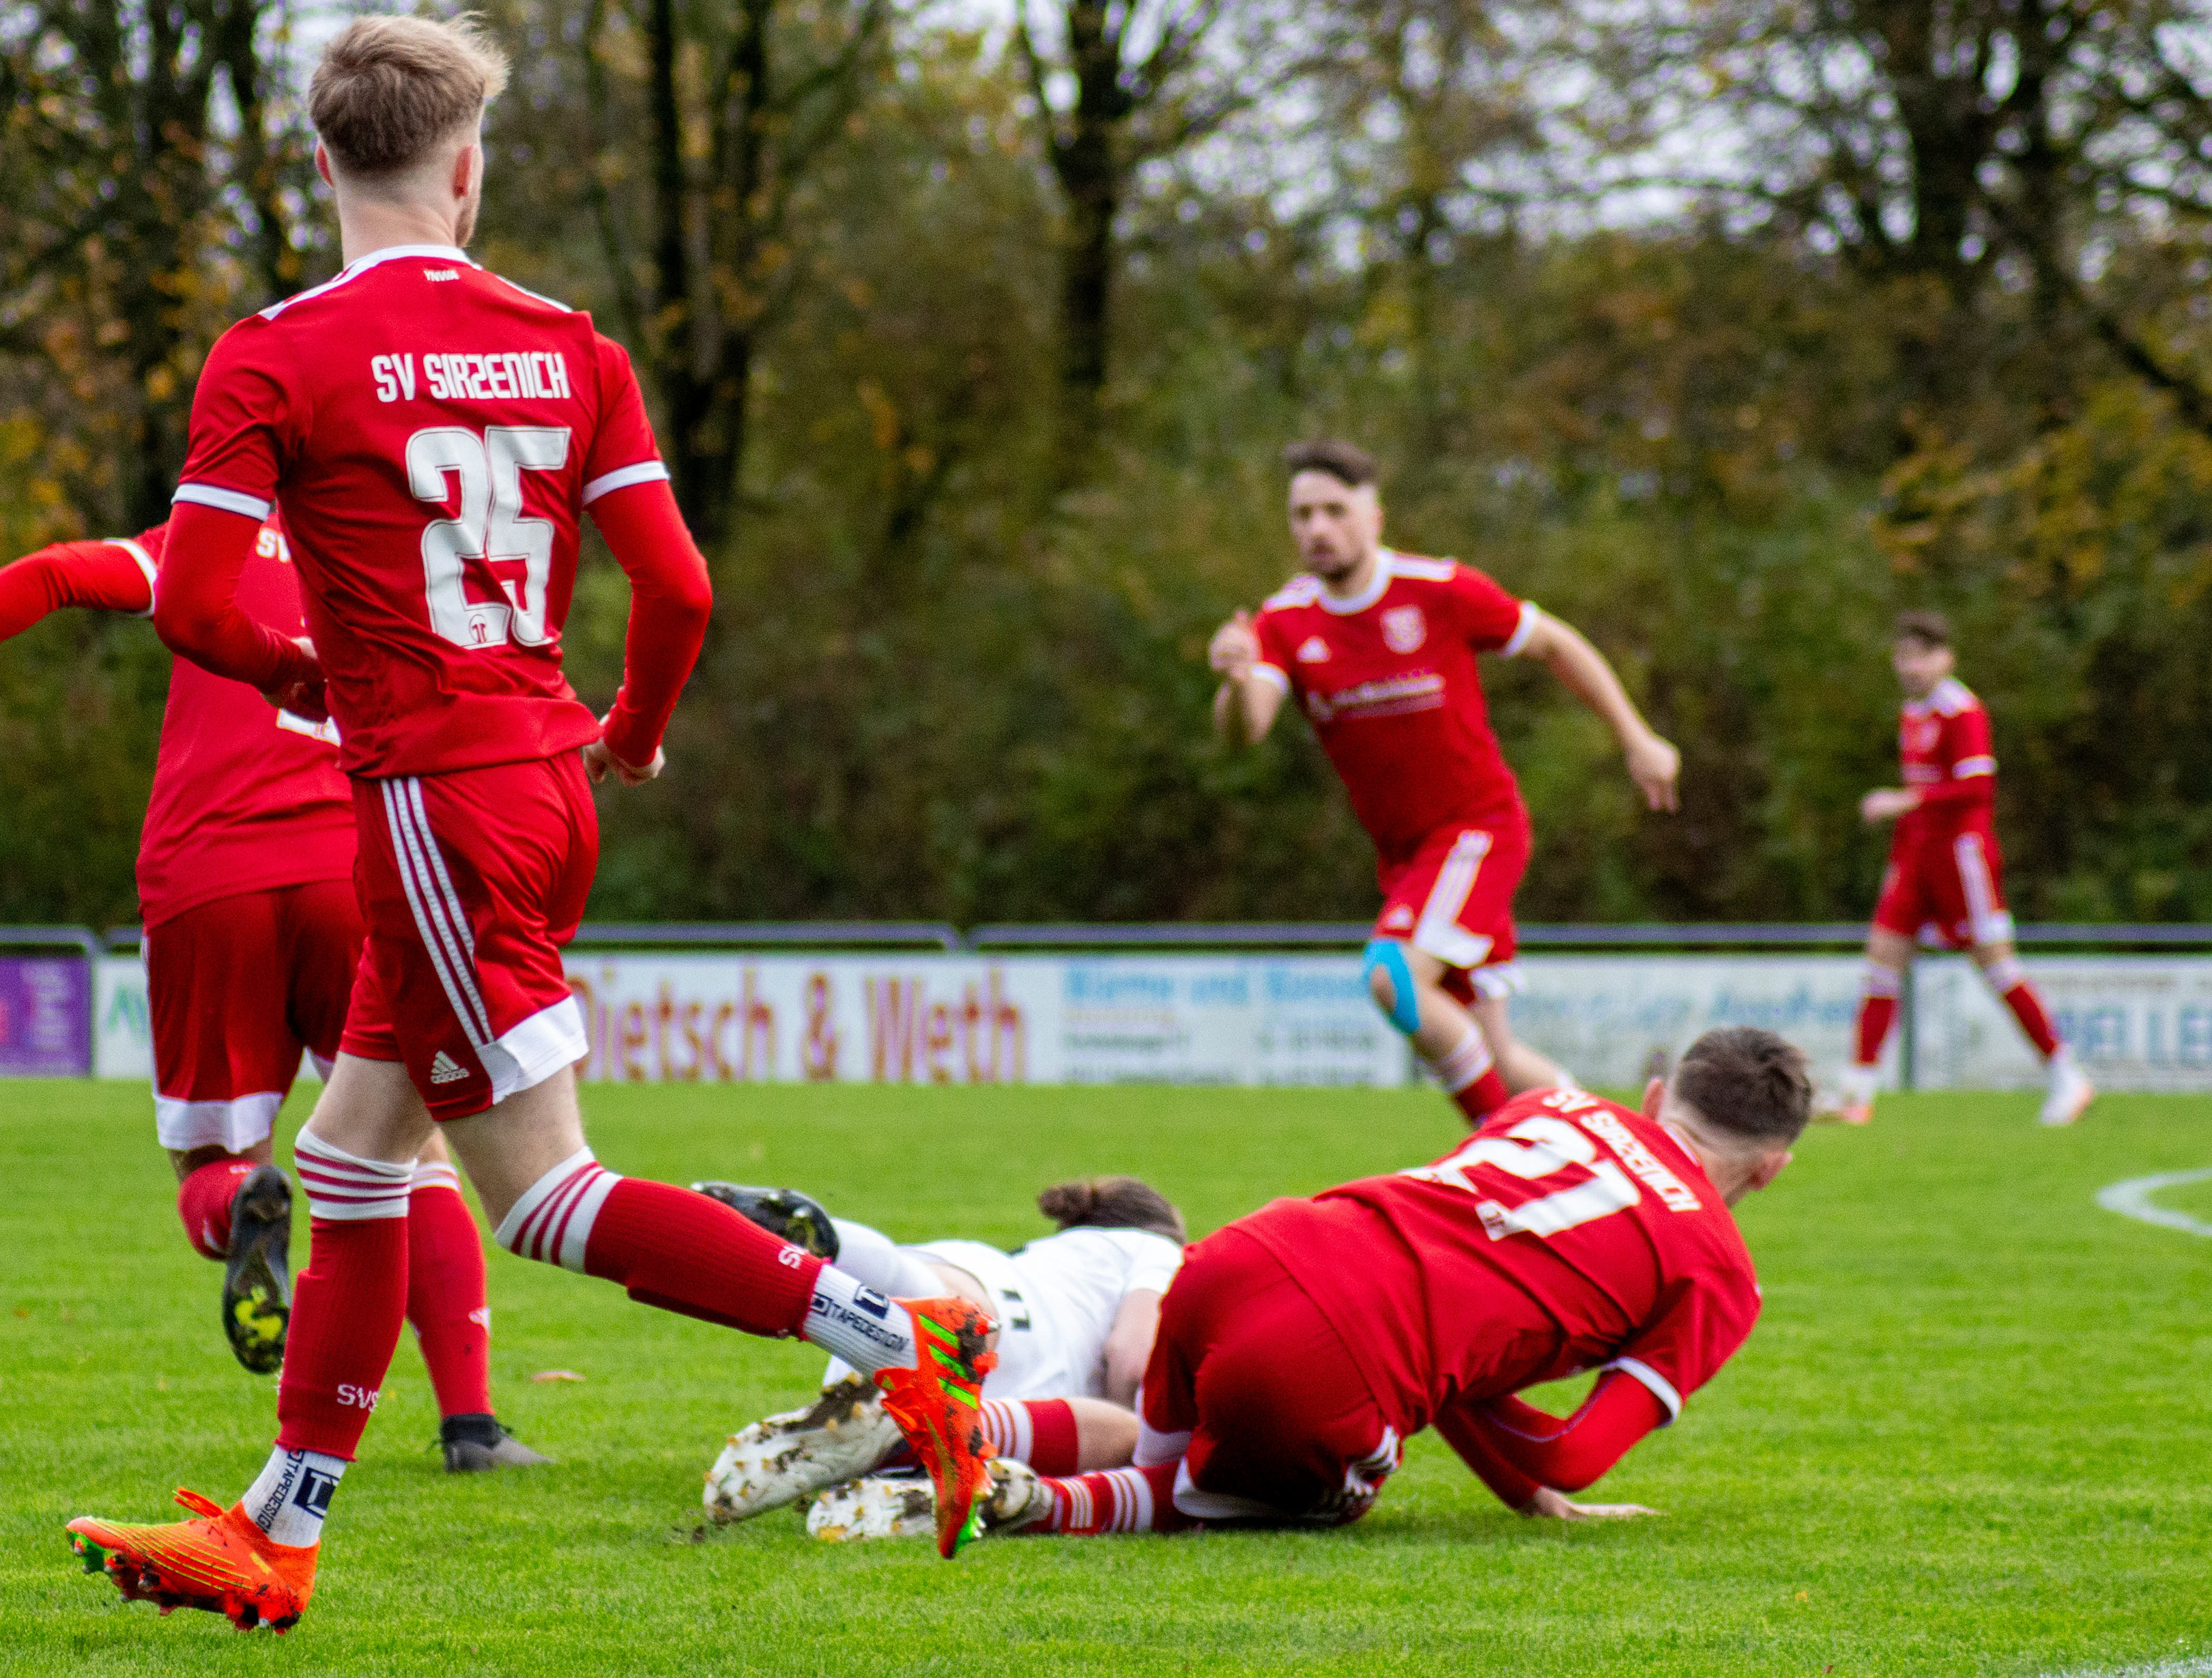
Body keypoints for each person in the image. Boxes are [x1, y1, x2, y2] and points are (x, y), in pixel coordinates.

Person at [63, 14, 994, 1634]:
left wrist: (312, 672)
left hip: (425, 796)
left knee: (543, 1194)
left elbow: (196, 605)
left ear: (320, 159)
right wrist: (627, 732)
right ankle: (278, 1535)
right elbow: (680, 585)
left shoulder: (272, 350)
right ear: (467, 169)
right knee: (349, 1160)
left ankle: (905, 1337)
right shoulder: (572, 342)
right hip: (539, 782)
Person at [0, 523, 542, 1475]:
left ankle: (244, 1199)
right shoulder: (398, 549)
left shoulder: (204, 546)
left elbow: (52, 575)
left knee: (209, 1157)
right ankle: (474, 1424)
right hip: (353, 873)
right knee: (406, 1150)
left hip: (208, 878)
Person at [814, 1027, 1808, 1543]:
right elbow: (1573, 1452)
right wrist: (1532, 1488)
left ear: (1651, 1099)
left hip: (1249, 1250)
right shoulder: (1718, 1270)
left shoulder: (1556, 1105)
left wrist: (1452, 1380)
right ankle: (1013, 1498)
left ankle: (944, 1427)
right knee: (1207, 1499)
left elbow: (1449, 1265)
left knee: (1168, 1457)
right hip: (1334, 1360)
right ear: (1770, 1172)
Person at [1208, 441, 1683, 1126]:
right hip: (1408, 863)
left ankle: (1497, 1154)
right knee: (1498, 1053)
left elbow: (1556, 642)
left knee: (1393, 978)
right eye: (1302, 514)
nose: (1317, 528)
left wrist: (1636, 737)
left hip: (1478, 830)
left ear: (1375, 515)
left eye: (1334, 510)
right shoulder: (1282, 622)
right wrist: (1232, 680)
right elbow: (1245, 727)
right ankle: (1629, 1149)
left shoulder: (1438, 591)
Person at [694, 1175, 1183, 1523]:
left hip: (933, 1283)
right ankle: (905, 1466)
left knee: (918, 1302)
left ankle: (831, 1249)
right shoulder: (1155, 1250)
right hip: (1019, 1347)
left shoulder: (1053, 1254)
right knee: (1126, 1432)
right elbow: (1134, 1361)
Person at [1826, 612, 2091, 1126]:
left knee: (1996, 965)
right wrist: (1899, 857)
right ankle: (1857, 1093)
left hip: (1961, 858)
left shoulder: (1962, 712)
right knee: (1882, 959)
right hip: (1916, 857)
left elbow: (1977, 789)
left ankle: (2066, 1074)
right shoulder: (1912, 712)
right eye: (1903, 657)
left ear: (1946, 658)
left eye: (1921, 656)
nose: (1911, 667)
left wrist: (1904, 801)